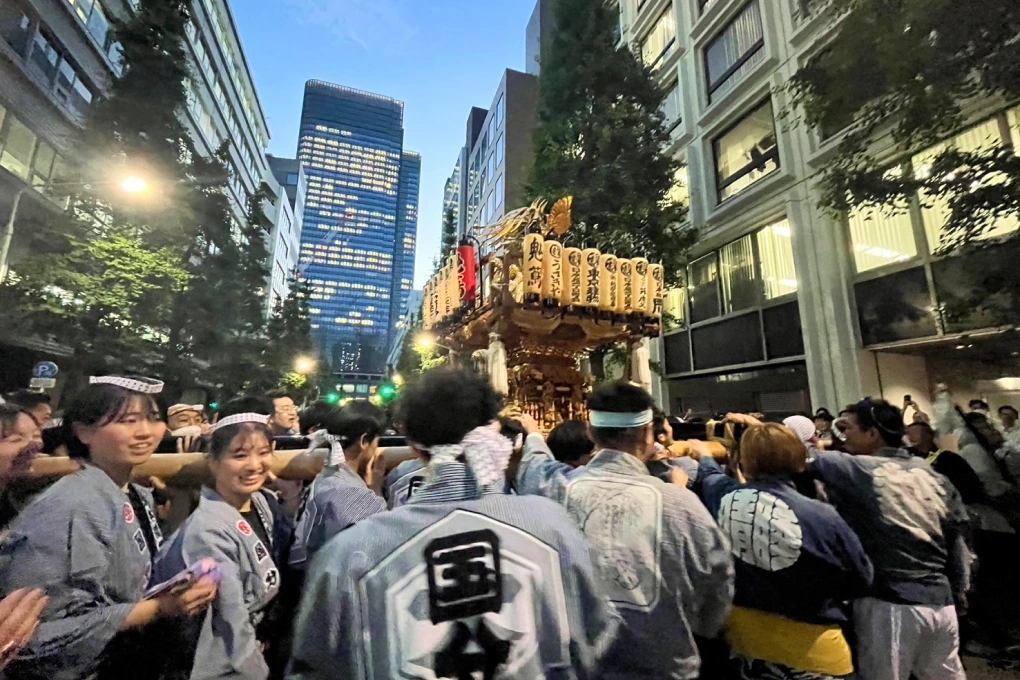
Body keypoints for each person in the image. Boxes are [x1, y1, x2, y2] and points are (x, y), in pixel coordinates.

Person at [289, 368, 619, 679]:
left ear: (415, 446)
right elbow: (597, 634)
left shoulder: (350, 553)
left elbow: (316, 666)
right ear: (492, 433)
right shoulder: (550, 524)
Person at [0, 376, 217, 680]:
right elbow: (39, 632)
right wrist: (158, 608)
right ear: (83, 430)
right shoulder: (72, 503)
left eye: (152, 418)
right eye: (128, 420)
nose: (144, 432)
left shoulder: (132, 492)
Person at [517, 381, 734, 680]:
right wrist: (697, 627)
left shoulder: (558, 488)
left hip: (577, 667)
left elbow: (534, 469)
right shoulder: (681, 504)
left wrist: (532, 435)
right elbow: (716, 585)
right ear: (648, 434)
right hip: (659, 665)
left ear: (592, 434)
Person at [696, 423, 874, 680]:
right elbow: (862, 578)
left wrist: (703, 453)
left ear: (745, 461)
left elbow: (711, 477)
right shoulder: (822, 516)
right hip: (814, 652)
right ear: (799, 460)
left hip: (745, 646)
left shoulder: (725, 497)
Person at [812, 398, 970, 680]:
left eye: (846, 427)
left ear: (872, 433)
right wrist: (959, 589)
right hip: (941, 602)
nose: (841, 434)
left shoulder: (856, 469)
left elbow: (789, 453)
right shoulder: (931, 474)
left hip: (890, 604)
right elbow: (956, 540)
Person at [153, 409, 281, 679]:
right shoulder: (207, 530)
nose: (255, 465)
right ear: (212, 462)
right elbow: (229, 621)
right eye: (240, 455)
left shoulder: (262, 502)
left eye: (264, 452)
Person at [289, 401, 387, 570]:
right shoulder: (353, 495)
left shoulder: (327, 476)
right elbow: (379, 548)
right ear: (364, 441)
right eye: (377, 441)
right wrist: (376, 491)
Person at [906, 422, 983, 506]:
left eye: (914, 433)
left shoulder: (948, 458)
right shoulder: (910, 461)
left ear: (928, 436)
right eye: (908, 434)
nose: (910, 437)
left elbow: (969, 484)